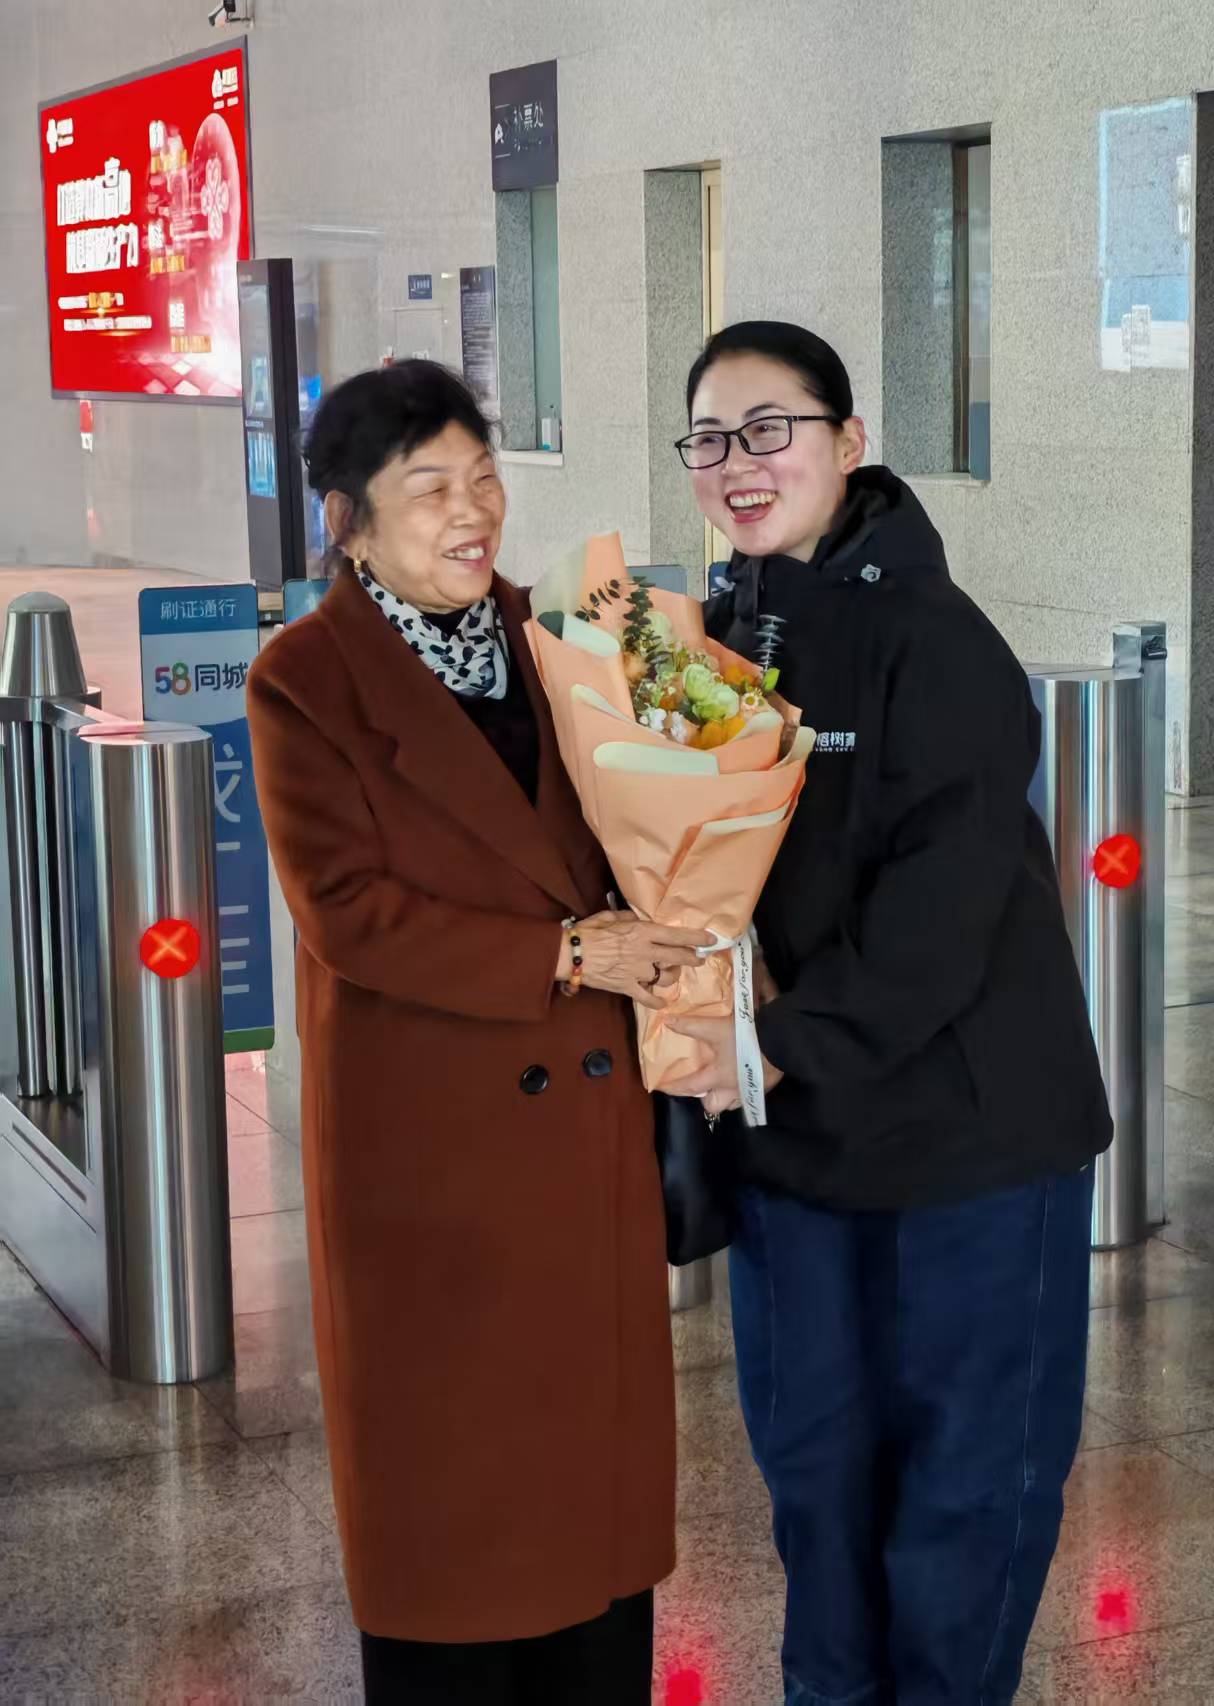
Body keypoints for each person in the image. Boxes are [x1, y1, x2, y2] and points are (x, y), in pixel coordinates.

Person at [247, 359, 710, 1705]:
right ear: (347, 519)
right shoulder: (305, 679)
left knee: (591, 1514)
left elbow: (655, 808)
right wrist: (562, 954)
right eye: (430, 487)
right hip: (435, 1157)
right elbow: (347, 911)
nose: (473, 509)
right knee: (455, 1516)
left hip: (584, 1138)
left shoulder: (563, 634)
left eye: (485, 476)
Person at [668, 322, 1113, 1706]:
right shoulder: (708, 639)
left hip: (967, 1152)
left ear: (849, 442)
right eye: (710, 438)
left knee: (962, 1503)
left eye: (771, 429)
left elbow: (943, 910)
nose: (739, 462)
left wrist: (765, 1045)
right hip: (796, 1148)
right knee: (817, 1490)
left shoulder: (939, 639)